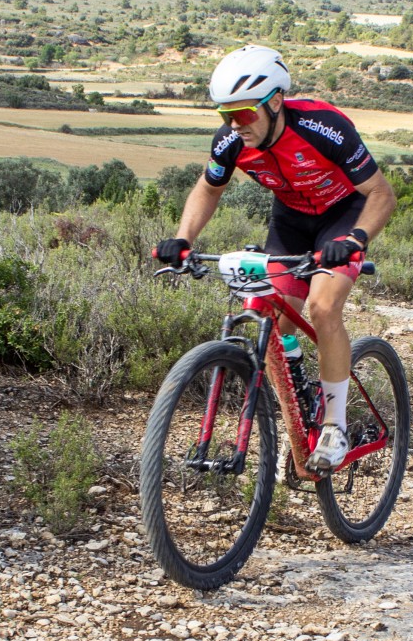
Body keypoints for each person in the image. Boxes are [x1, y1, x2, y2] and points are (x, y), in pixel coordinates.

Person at [155, 45, 396, 472]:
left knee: (323, 307)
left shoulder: (324, 128)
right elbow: (209, 189)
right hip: (290, 221)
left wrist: (357, 238)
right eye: (225, 114)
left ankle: (335, 428)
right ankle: (305, 403)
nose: (235, 124)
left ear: (276, 102)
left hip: (343, 215)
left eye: (245, 113)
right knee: (279, 321)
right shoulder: (231, 140)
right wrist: (182, 238)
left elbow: (380, 194)